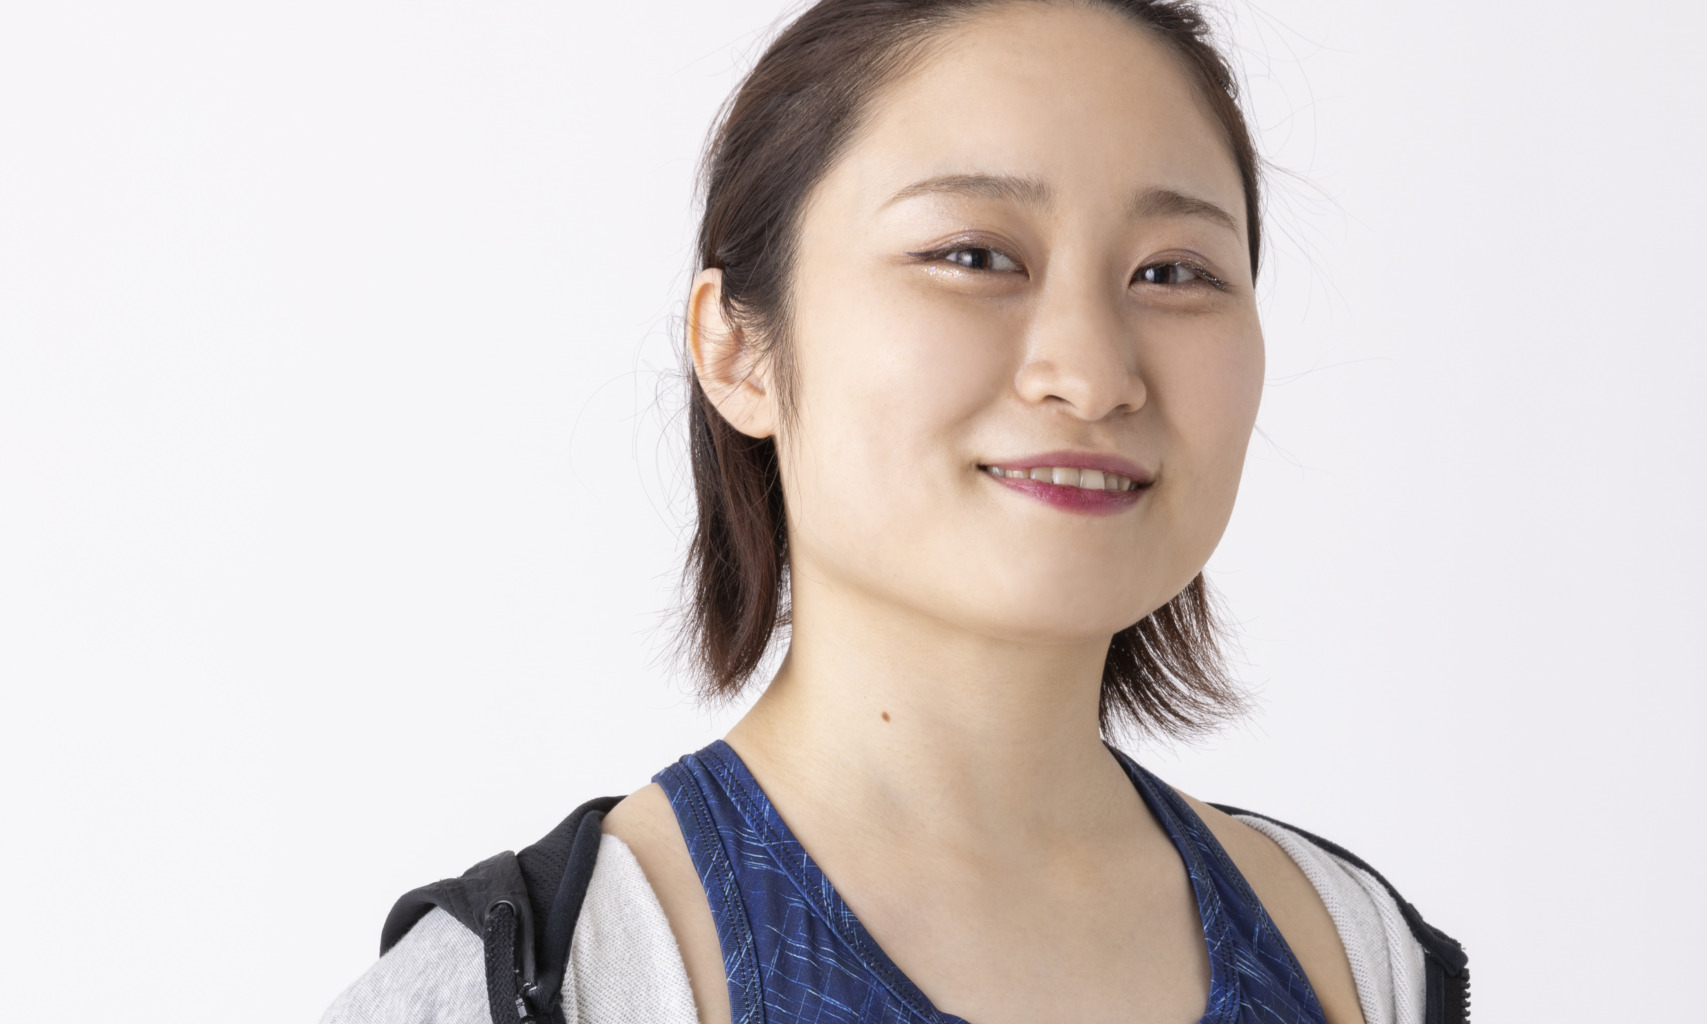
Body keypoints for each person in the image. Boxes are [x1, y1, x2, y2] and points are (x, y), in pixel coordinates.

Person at [323, 2, 1464, 1022]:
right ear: (737, 349)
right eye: (973, 255)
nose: (1090, 373)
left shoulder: (1359, 956)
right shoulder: (544, 979)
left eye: (1173, 273)